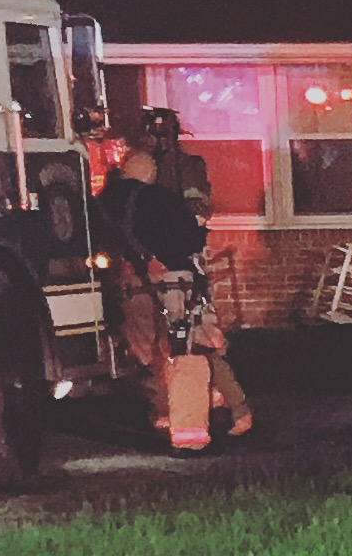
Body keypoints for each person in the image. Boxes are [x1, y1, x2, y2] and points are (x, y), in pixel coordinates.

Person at [93, 134, 255, 448]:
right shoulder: (161, 199)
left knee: (148, 353)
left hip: (131, 287)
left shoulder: (102, 204)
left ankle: (164, 414)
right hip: (176, 283)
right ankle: (237, 411)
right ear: (149, 175)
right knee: (197, 345)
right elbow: (191, 239)